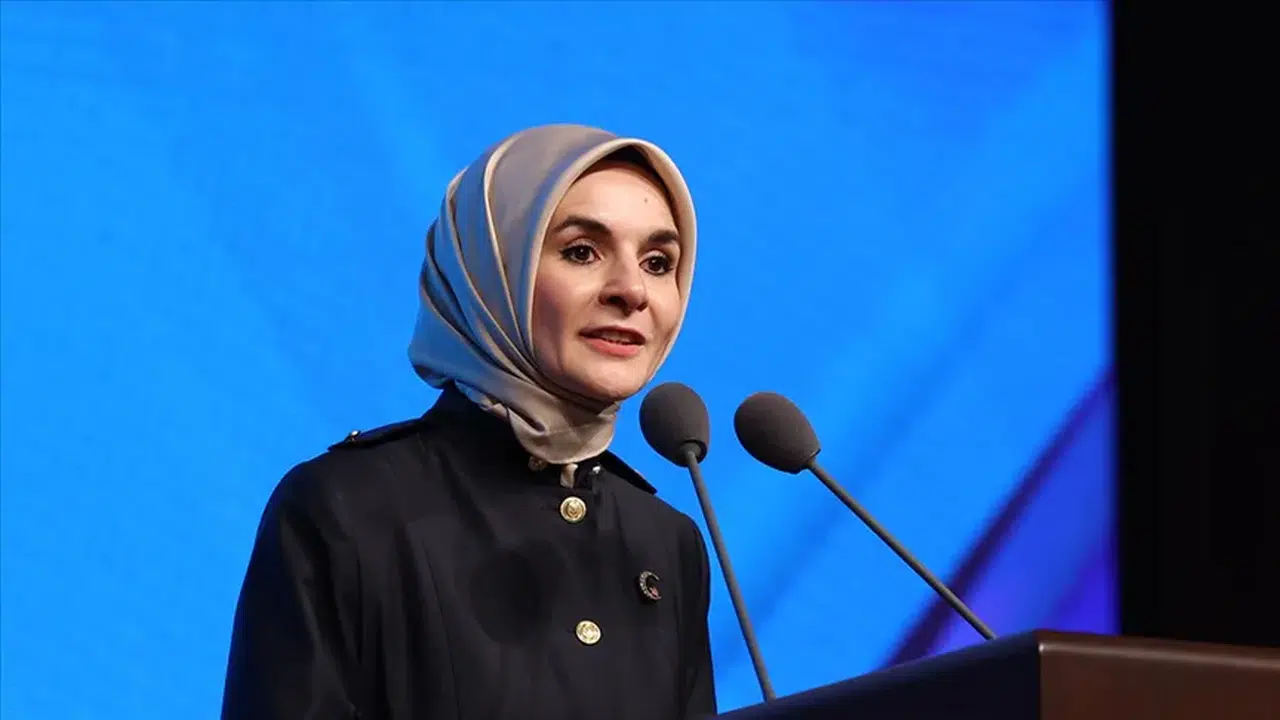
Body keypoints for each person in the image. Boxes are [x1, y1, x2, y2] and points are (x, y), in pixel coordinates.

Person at [221, 124, 717, 720]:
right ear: (489, 270)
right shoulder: (346, 509)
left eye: (659, 263)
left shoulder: (666, 543)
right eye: (582, 252)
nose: (633, 291)